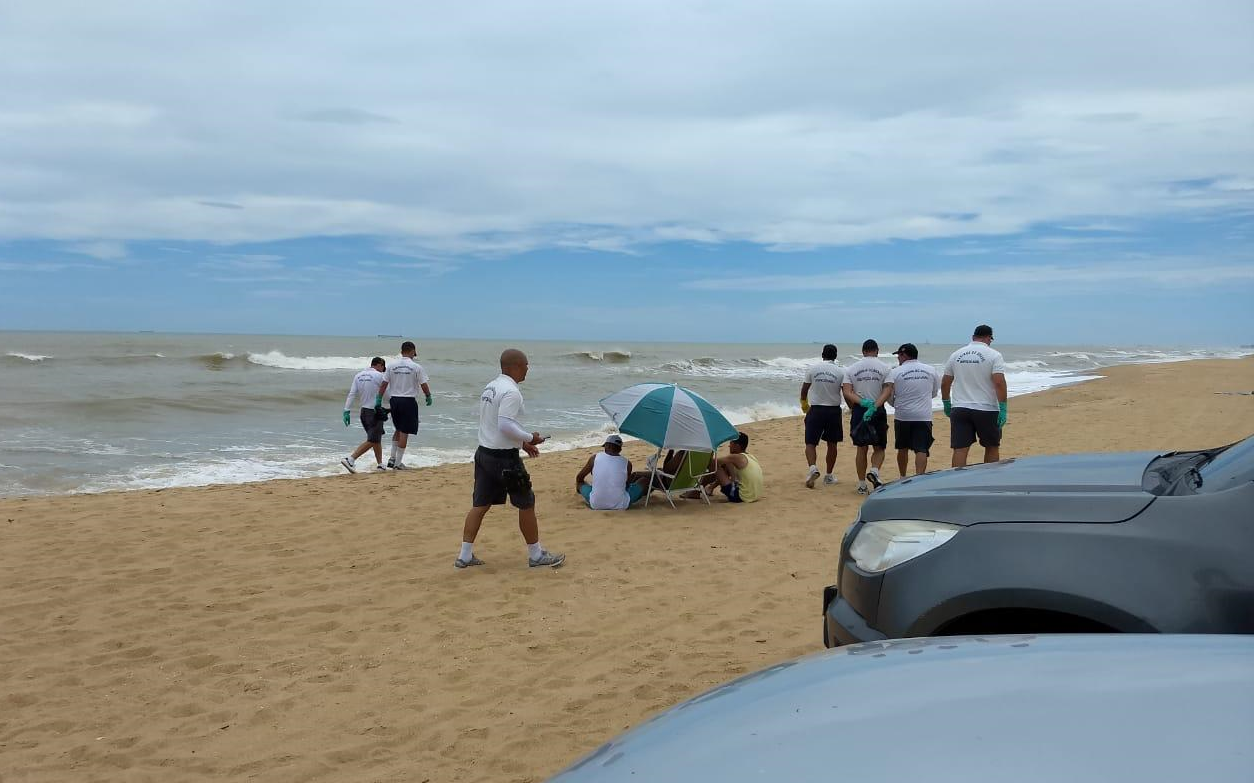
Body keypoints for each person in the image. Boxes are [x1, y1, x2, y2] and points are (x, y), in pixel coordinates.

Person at [456, 349, 565, 569]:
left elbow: (491, 423)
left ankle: (464, 555)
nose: (527, 369)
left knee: (480, 504)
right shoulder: (511, 392)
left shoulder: (491, 386)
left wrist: (523, 444)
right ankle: (536, 555)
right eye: (526, 365)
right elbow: (504, 425)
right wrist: (529, 437)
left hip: (484, 453)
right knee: (526, 503)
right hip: (505, 459)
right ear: (515, 366)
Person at [867, 343, 941, 481]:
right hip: (923, 415)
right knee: (921, 449)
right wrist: (922, 399)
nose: (898, 359)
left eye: (899, 356)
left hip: (903, 415)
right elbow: (934, 392)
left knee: (902, 447)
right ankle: (919, 478)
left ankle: (902, 476)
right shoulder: (931, 370)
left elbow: (889, 394)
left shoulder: (895, 372)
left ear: (904, 355)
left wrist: (896, 405)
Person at [942, 324, 1008, 467]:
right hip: (987, 409)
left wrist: (947, 403)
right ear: (989, 338)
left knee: (960, 449)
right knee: (991, 446)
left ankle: (958, 482)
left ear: (973, 337)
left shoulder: (956, 354)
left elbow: (946, 382)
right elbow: (999, 382)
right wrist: (1003, 407)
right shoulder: (994, 355)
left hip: (960, 408)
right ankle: (989, 478)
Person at [842, 339, 891, 494]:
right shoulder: (885, 367)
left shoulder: (851, 369)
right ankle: (875, 471)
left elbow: (847, 392)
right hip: (878, 409)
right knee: (879, 447)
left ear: (863, 351)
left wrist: (863, 402)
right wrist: (875, 405)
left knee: (861, 448)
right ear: (877, 351)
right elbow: (887, 389)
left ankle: (862, 484)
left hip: (859, 410)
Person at [377, 340, 432, 470]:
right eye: (414, 353)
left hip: (394, 400)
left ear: (401, 351)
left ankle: (392, 458)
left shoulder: (391, 366)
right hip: (408, 401)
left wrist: (379, 398)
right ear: (412, 351)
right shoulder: (416, 367)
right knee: (405, 432)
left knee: (398, 429)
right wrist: (428, 396)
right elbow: (423, 384)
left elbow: (384, 383)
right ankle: (398, 463)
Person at [800, 344, 845, 488]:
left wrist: (804, 404)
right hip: (833, 410)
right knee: (832, 444)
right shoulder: (840, 371)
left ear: (822, 354)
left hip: (816, 409)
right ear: (835, 356)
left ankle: (813, 468)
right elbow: (846, 391)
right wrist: (852, 407)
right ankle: (829, 475)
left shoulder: (813, 369)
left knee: (810, 442)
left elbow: (804, 389)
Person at [340, 357, 389, 473]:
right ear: (380, 365)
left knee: (376, 439)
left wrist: (346, 410)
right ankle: (350, 460)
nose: (383, 371)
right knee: (373, 439)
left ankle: (380, 465)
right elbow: (387, 394)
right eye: (383, 368)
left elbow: (352, 394)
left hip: (364, 412)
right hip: (375, 412)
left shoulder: (358, 375)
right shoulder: (379, 376)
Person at [575, 434, 646, 510]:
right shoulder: (627, 463)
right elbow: (626, 485)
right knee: (644, 481)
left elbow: (579, 477)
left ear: (607, 446)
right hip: (621, 504)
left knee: (580, 483)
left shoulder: (594, 458)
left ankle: (589, 493)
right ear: (620, 449)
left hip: (596, 504)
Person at [695, 431, 763, 503]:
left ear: (737, 446)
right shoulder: (750, 457)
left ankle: (697, 491)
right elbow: (726, 463)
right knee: (726, 464)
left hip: (741, 497)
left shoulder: (736, 457)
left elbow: (712, 462)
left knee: (714, 465)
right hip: (755, 495)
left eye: (731, 444)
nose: (729, 446)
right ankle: (710, 488)